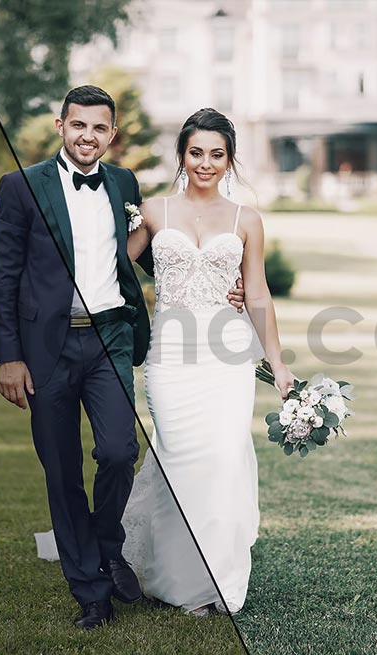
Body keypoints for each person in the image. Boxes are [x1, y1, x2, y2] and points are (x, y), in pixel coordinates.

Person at [0, 86, 245, 630]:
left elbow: (151, 252)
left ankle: (108, 546)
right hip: (46, 348)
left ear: (112, 134)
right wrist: (9, 357)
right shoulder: (21, 186)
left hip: (110, 339)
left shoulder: (123, 184)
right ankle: (92, 592)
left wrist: (221, 280)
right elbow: (2, 275)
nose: (88, 136)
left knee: (119, 450)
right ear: (60, 126)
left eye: (99, 128)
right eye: (79, 125)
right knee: (62, 471)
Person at [120, 108, 295, 616]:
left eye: (217, 154)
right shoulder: (153, 211)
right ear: (182, 154)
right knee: (178, 461)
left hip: (228, 358)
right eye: (196, 152)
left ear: (229, 160)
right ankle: (178, 580)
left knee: (223, 459)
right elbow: (116, 271)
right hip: (170, 357)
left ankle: (218, 580)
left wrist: (278, 363)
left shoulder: (247, 220)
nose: (205, 163)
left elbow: (257, 294)